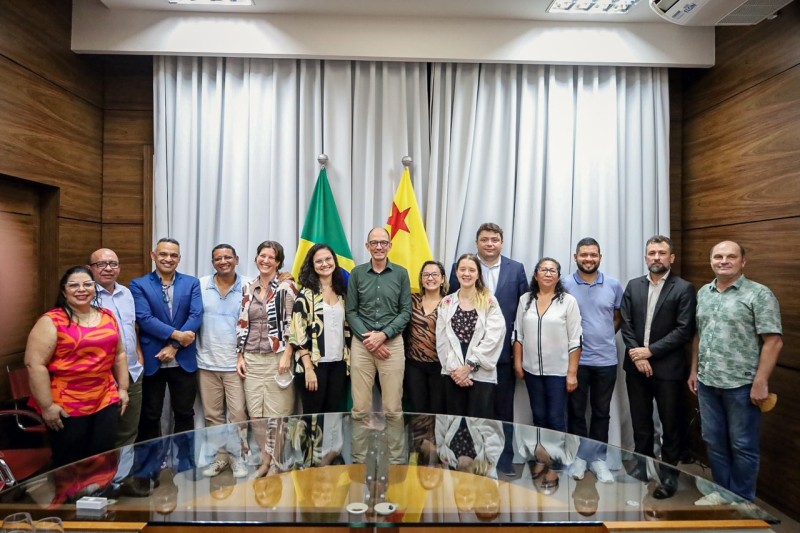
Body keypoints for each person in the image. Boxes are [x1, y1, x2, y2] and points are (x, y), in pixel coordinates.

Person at [689, 241, 782, 503]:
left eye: (731, 256)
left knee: (743, 445)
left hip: (742, 385)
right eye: (718, 256)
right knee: (714, 441)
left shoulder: (759, 294)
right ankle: (722, 492)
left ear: (743, 261)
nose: (724, 261)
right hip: (708, 382)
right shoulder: (704, 293)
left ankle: (742, 502)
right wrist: (694, 370)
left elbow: (773, 341)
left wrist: (761, 381)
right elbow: (699, 334)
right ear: (711, 261)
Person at [24, 266, 130, 467]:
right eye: (74, 285)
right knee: (71, 462)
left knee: (104, 455)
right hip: (66, 403)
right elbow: (34, 364)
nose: (81, 289)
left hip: (105, 397)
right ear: (64, 291)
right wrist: (47, 407)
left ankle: (102, 496)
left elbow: (119, 354)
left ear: (94, 288)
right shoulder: (52, 321)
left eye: (87, 284)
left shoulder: (107, 316)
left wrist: (123, 389)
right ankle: (70, 498)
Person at [620, 235, 696, 499]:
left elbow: (684, 329)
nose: (656, 257)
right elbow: (626, 323)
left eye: (662, 253)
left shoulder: (683, 288)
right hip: (636, 368)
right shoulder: (633, 286)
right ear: (645, 257)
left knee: (670, 424)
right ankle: (641, 468)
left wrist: (651, 351)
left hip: (668, 369)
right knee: (641, 423)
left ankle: (668, 475)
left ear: (671, 258)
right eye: (652, 253)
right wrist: (638, 356)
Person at [448, 223, 527, 474]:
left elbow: (522, 309)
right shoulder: (462, 268)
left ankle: (503, 461)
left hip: (503, 353)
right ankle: (469, 457)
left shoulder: (516, 269)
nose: (490, 244)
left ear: (502, 242)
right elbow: (454, 309)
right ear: (477, 242)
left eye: (494, 239)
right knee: (471, 410)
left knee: (503, 409)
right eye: (485, 239)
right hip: (467, 356)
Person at [345, 227, 412, 464]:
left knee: (393, 408)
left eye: (383, 242)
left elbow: (406, 312)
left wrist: (383, 335)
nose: (379, 247)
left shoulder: (402, 274)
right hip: (362, 345)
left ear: (390, 245)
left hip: (392, 344)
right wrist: (369, 339)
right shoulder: (357, 273)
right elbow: (350, 311)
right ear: (367, 246)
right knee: (360, 408)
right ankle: (358, 459)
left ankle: (396, 461)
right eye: (374, 243)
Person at [130, 238, 203, 449]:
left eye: (173, 255)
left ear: (179, 259)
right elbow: (144, 318)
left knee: (184, 413)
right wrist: (179, 335)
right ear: (154, 255)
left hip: (183, 360)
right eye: (163, 254)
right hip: (153, 359)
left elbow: (196, 315)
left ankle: (185, 462)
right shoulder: (139, 284)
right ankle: (149, 466)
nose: (168, 259)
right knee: (151, 414)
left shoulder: (191, 283)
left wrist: (175, 346)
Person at [562, 237, 623, 484]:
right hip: (574, 362)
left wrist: (605, 334)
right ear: (575, 256)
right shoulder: (564, 284)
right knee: (576, 412)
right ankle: (579, 458)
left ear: (600, 257)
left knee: (601, 412)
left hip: (606, 361)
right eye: (584, 255)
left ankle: (597, 459)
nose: (589, 259)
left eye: (593, 255)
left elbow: (618, 317)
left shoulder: (613, 285)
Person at [236, 240, 298, 478]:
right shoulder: (248, 289)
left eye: (271, 257)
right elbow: (242, 323)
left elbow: (295, 324)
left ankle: (278, 463)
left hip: (277, 357)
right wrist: (240, 355)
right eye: (262, 256)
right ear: (256, 258)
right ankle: (265, 459)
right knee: (256, 415)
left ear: (278, 262)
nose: (266, 260)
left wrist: (288, 354)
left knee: (277, 415)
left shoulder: (287, 288)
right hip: (252, 356)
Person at [197, 244, 248, 479]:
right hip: (206, 363)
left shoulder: (248, 285)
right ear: (213, 262)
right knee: (213, 416)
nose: (223, 261)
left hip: (235, 364)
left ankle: (238, 457)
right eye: (218, 258)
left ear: (236, 259)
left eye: (228, 257)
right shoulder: (200, 284)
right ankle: (221, 457)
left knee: (237, 415)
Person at [513, 257, 582, 432]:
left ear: (558, 277)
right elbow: (518, 334)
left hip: (558, 372)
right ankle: (542, 457)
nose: (548, 274)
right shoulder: (525, 300)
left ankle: (558, 458)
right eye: (544, 270)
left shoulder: (568, 301)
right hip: (531, 370)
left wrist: (572, 373)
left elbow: (576, 339)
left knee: (556, 419)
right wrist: (517, 363)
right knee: (539, 417)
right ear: (536, 275)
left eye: (553, 271)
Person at [437, 254, 506, 418]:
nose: (466, 274)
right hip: (453, 374)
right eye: (462, 269)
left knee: (478, 427)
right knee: (453, 425)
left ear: (478, 273)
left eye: (471, 270)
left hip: (480, 374)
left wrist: (468, 368)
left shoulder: (489, 301)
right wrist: (456, 371)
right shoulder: (446, 302)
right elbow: (442, 341)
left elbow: (494, 338)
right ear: (456, 272)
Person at [89, 248, 143, 447]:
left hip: (132, 372)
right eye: (101, 264)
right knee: (103, 434)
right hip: (104, 376)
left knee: (128, 431)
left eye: (113, 264)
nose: (108, 268)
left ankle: (123, 477)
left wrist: (139, 357)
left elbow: (132, 328)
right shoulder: (87, 295)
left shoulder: (126, 293)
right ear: (90, 268)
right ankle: (105, 477)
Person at [290, 243, 350, 414]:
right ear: (312, 266)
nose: (325, 264)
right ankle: (310, 444)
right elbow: (298, 335)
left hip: (338, 365)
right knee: (313, 421)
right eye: (319, 261)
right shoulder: (305, 295)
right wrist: (308, 369)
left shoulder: (342, 293)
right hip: (314, 366)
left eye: (328, 259)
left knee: (334, 417)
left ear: (334, 261)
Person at [404, 260, 448, 414]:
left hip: (440, 366)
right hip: (414, 365)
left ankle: (435, 439)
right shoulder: (411, 300)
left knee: (437, 409)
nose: (430, 278)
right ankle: (420, 439)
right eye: (426, 275)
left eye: (435, 274)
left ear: (442, 278)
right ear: (421, 279)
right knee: (417, 409)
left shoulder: (450, 303)